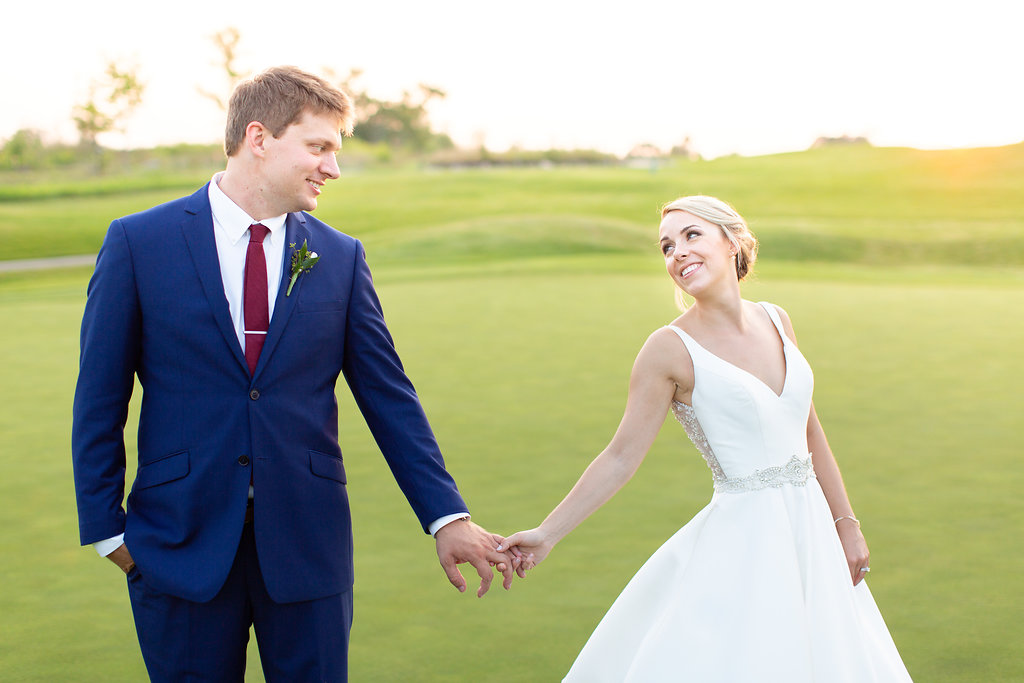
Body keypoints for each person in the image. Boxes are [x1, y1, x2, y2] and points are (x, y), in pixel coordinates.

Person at [71, 66, 518, 682]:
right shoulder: (137, 243)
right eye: (320, 147)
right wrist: (106, 533)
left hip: (309, 548)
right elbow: (99, 398)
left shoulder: (340, 256)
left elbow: (389, 397)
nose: (332, 168)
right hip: (177, 545)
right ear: (259, 138)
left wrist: (447, 516)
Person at [499, 196, 912, 681]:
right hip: (745, 542)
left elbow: (808, 430)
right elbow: (619, 458)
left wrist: (847, 524)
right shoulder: (668, 349)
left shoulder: (777, 319)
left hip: (813, 532)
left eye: (691, 235)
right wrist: (547, 535)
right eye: (666, 246)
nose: (677, 253)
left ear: (732, 240)